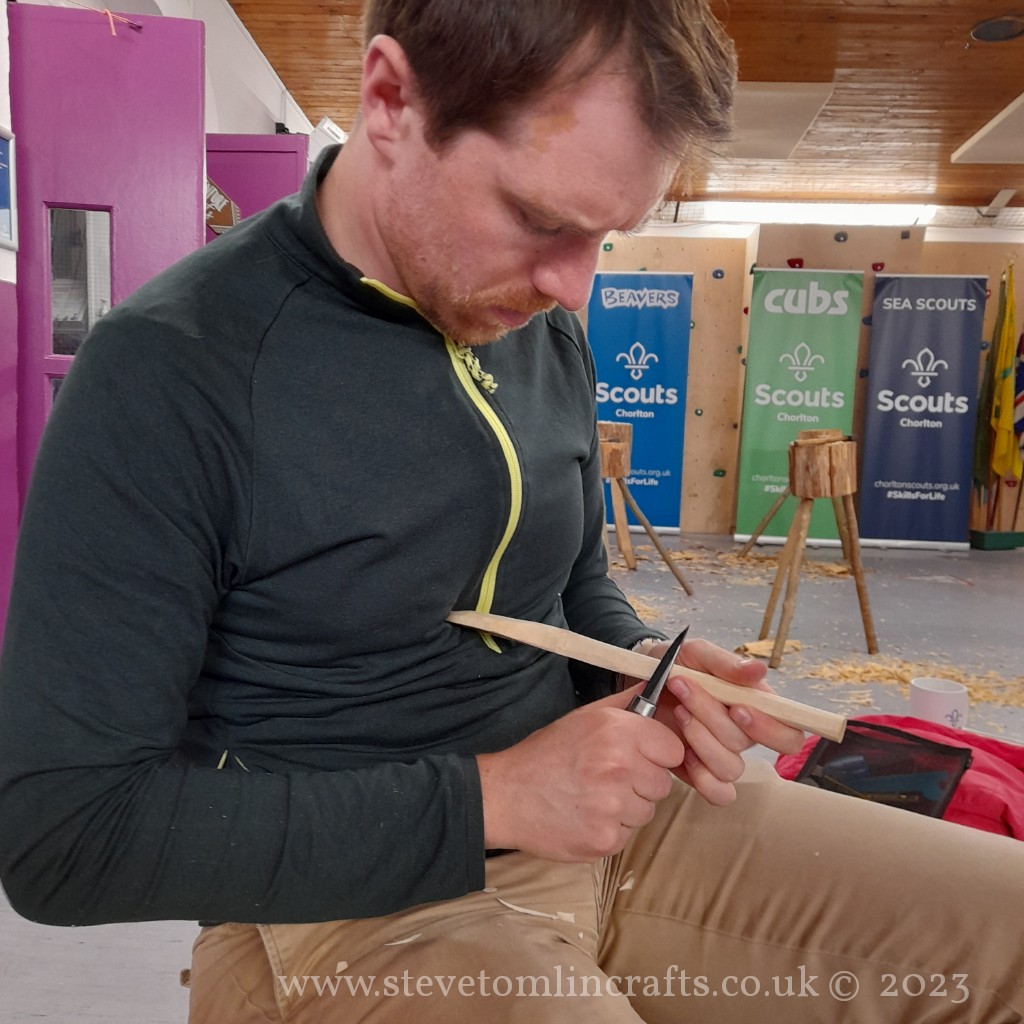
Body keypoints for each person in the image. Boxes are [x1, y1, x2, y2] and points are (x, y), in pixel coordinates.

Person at [0, 1, 1021, 1021]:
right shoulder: (172, 371)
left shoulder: (539, 325)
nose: (573, 287)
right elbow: (63, 836)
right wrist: (498, 796)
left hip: (616, 820)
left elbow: (571, 583)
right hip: (345, 904)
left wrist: (639, 670)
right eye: (539, 219)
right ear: (390, 99)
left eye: (607, 236)